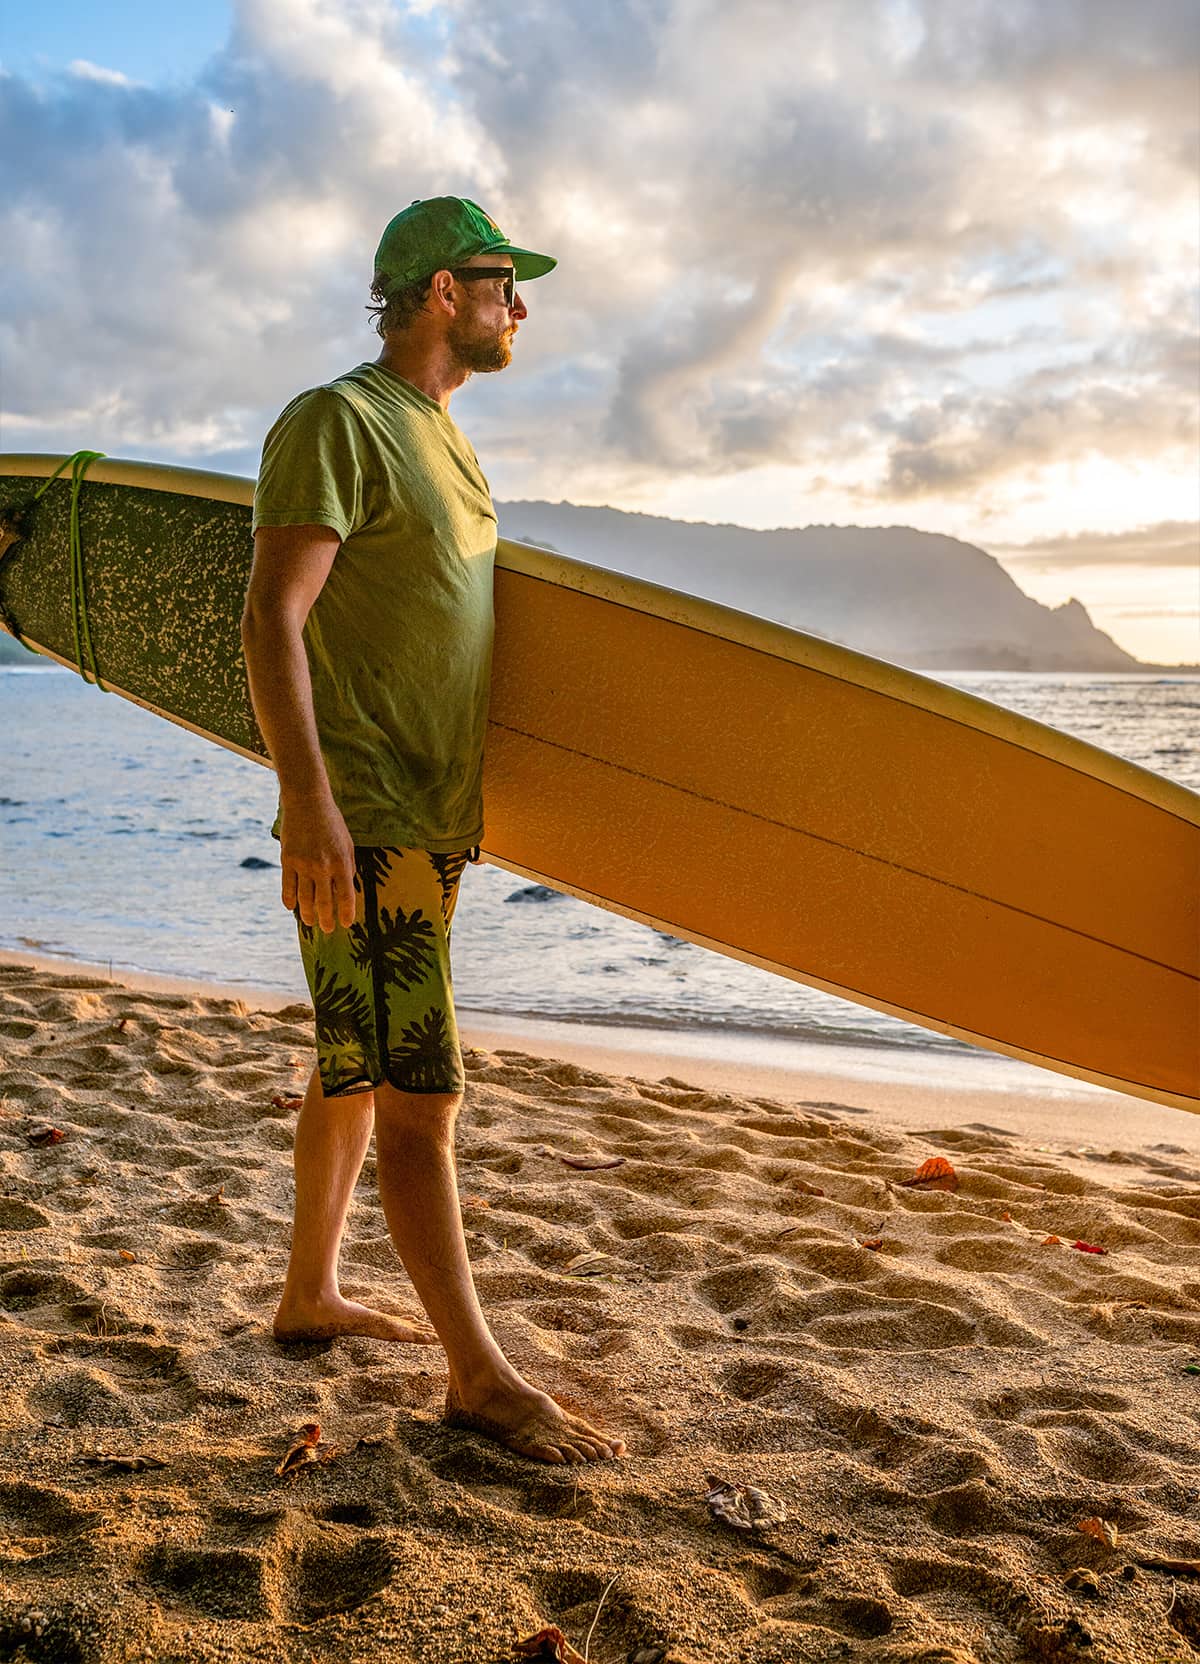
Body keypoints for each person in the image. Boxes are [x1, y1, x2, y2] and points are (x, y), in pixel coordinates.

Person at [241, 197, 625, 1466]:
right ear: (435, 291)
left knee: (353, 1060)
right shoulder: (338, 420)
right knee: (422, 1093)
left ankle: (309, 1292)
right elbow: (272, 621)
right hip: (368, 815)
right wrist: (309, 802)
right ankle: (477, 1373)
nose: (522, 306)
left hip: (430, 812)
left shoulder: (445, 438)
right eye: (503, 280)